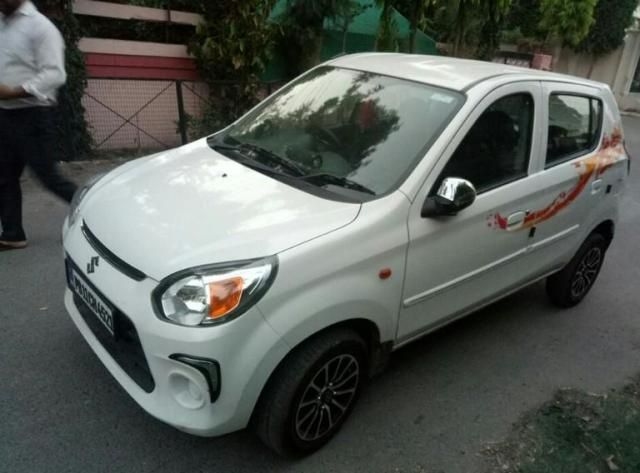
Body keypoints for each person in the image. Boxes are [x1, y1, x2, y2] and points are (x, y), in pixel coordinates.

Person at [0, 0, 77, 251]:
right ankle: (12, 234)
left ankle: (103, 216)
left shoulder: (41, 27)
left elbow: (55, 74)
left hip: (33, 115)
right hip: (5, 114)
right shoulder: (2, 23)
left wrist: (15, 91)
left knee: (48, 177)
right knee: (4, 177)